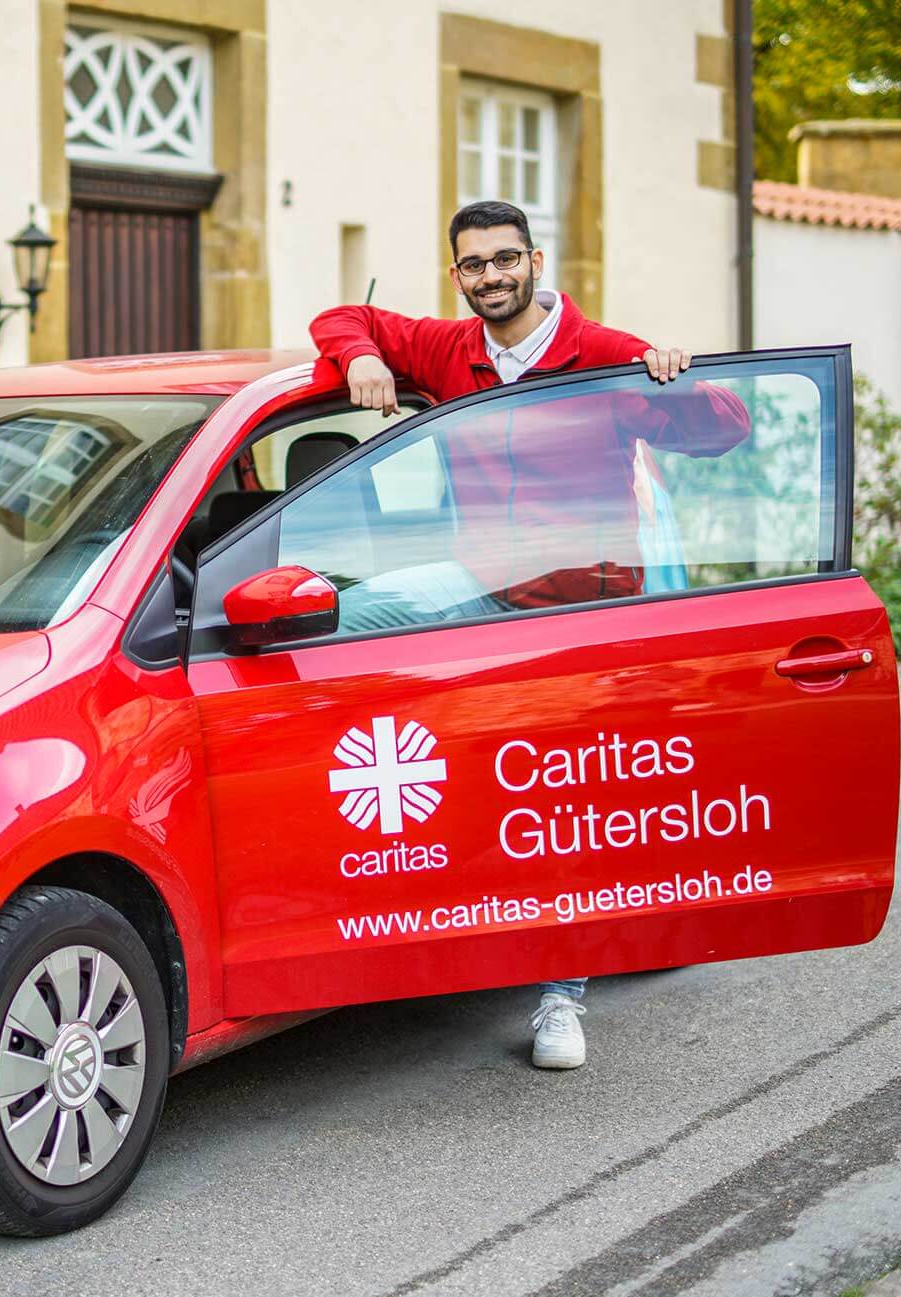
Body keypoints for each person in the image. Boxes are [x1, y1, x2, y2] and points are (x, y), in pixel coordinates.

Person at [308, 199, 751, 1071]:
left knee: (562, 813)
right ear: (457, 275)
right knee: (335, 622)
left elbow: (727, 431)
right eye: (475, 266)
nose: (492, 277)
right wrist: (359, 356)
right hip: (479, 588)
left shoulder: (608, 357)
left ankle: (561, 997)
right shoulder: (448, 350)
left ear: (536, 262)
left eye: (506, 260)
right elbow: (342, 316)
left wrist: (678, 379)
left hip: (581, 613)